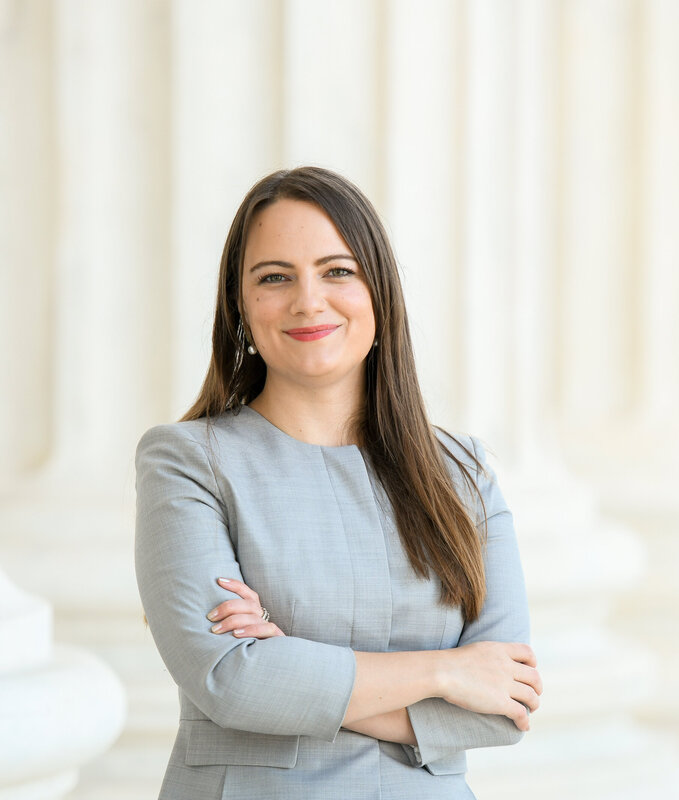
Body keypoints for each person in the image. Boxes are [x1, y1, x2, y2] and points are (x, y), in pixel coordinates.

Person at [135, 166, 541, 799]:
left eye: (337, 271)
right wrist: (447, 671)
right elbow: (231, 681)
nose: (307, 300)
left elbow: (501, 704)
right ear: (240, 306)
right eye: (274, 277)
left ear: (378, 290)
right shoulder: (187, 461)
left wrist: (287, 663)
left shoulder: (463, 472)